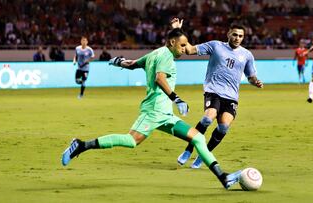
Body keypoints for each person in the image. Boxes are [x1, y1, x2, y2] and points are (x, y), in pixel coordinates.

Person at [61, 28, 242, 190]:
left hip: (165, 115)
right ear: (172, 43)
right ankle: (81, 145)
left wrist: (118, 61)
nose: (184, 49)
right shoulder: (166, 57)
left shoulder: (155, 53)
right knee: (131, 141)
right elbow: (159, 78)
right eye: (182, 45)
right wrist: (177, 98)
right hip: (154, 111)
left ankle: (223, 177)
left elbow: (133, 64)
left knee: (199, 138)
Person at [173, 19, 263, 169]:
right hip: (213, 91)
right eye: (235, 34)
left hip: (231, 97)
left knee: (223, 128)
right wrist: (178, 31)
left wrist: (256, 82)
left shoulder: (247, 55)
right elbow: (189, 50)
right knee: (208, 119)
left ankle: (203, 155)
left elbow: (251, 76)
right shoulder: (215, 46)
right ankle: (188, 150)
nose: (237, 38)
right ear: (228, 34)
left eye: (240, 36)